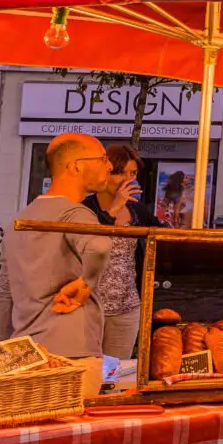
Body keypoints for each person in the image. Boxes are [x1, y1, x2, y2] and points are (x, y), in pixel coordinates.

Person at [1, 133, 123, 359]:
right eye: (103, 159)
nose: (109, 167)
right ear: (75, 167)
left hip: (25, 351)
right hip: (72, 352)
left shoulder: (21, 219)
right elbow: (99, 246)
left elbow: (5, 292)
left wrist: (0, 352)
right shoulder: (75, 214)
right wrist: (86, 283)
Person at [84, 143, 164, 360]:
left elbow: (163, 236)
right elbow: (88, 241)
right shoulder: (85, 208)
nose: (129, 179)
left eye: (134, 173)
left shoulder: (138, 210)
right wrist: (114, 208)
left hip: (127, 307)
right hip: (88, 308)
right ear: (107, 173)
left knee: (114, 373)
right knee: (88, 372)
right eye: (122, 173)